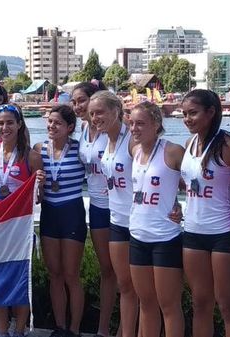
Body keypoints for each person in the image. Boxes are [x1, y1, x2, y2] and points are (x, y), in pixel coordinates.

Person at [180, 89, 230, 337]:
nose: (187, 119)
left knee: (228, 306)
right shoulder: (188, 144)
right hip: (193, 232)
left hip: (224, 233)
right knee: (199, 304)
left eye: (193, 113)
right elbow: (187, 184)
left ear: (211, 112)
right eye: (185, 114)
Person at [0, 103, 45, 337]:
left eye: (9, 122)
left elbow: (38, 199)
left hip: (19, 227)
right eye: (0, 123)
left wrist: (41, 185)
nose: (4, 127)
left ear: (19, 125)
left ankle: (19, 329)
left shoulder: (32, 157)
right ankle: (2, 328)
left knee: (18, 279)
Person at [128, 101, 185, 337]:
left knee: (169, 306)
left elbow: (194, 185)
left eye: (140, 123)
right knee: (146, 303)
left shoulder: (173, 151)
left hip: (165, 237)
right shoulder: (134, 149)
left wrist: (181, 207)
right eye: (131, 123)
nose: (134, 129)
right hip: (137, 235)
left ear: (157, 124)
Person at [89, 91, 139, 337]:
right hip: (116, 218)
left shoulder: (132, 139)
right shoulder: (105, 140)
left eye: (100, 112)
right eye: (92, 113)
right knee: (124, 284)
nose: (95, 117)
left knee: (138, 287)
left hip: (137, 221)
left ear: (116, 111)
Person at [33, 105, 86, 337]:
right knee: (54, 274)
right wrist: (40, 183)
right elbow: (36, 194)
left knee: (71, 274)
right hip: (49, 214)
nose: (51, 126)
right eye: (50, 121)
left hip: (72, 213)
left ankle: (74, 329)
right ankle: (60, 326)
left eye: (57, 123)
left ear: (70, 127)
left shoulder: (80, 149)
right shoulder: (39, 150)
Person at [71, 82, 116, 337]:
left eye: (82, 101)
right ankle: (103, 329)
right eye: (74, 102)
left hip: (121, 208)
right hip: (98, 207)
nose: (78, 106)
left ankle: (125, 328)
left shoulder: (113, 130)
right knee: (106, 270)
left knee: (127, 273)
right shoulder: (84, 129)